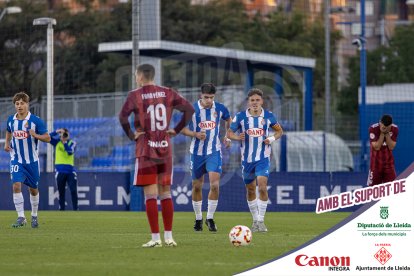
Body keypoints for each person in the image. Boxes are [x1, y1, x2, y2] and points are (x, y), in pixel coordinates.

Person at [119, 64, 194, 248]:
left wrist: (131, 135)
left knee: (150, 196)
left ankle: (155, 239)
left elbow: (122, 117)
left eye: (136, 75)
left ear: (140, 76)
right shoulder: (167, 92)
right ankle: (169, 237)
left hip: (146, 149)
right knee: (166, 193)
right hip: (165, 149)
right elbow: (189, 110)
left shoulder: (135, 95)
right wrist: (175, 130)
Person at [226, 88, 283, 233]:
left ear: (262, 101)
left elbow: (279, 131)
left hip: (263, 158)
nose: (255, 103)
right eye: (252, 100)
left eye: (258, 100)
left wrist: (270, 138)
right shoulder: (240, 117)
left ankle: (261, 221)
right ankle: (255, 220)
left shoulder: (269, 116)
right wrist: (237, 137)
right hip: (247, 160)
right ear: (248, 102)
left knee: (262, 187)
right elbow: (229, 133)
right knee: (251, 189)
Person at [180, 83, 232, 232]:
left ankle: (210, 218)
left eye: (211, 97)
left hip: (214, 152)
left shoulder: (220, 108)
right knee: (197, 186)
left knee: (215, 185)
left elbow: (229, 120)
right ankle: (198, 219)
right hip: (196, 153)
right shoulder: (191, 109)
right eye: (206, 97)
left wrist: (227, 136)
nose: (209, 100)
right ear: (200, 96)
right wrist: (195, 134)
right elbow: (181, 129)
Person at [3, 92, 51, 228]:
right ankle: (21, 217)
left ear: (27, 104)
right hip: (16, 159)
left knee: (33, 189)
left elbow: (47, 138)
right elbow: (8, 130)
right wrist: (7, 143)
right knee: (16, 185)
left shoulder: (35, 120)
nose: (19, 106)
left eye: (22, 103)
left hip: (32, 162)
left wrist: (35, 135)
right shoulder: (11, 120)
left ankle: (34, 216)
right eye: (17, 103)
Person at [49, 128, 78, 210]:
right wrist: (56, 131)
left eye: (65, 134)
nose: (64, 136)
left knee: (73, 190)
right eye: (63, 134)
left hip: (70, 171)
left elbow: (70, 152)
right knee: (61, 192)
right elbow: (47, 137)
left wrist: (65, 142)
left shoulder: (72, 143)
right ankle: (62, 209)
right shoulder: (57, 142)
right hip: (60, 171)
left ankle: (76, 209)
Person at [367, 114, 398, 186]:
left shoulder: (394, 129)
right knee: (373, 191)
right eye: (384, 126)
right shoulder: (373, 129)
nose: (385, 128)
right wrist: (382, 133)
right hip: (375, 165)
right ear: (380, 122)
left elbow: (391, 147)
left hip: (389, 165)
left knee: (392, 190)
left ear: (390, 125)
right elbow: (377, 147)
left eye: (388, 127)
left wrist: (386, 133)